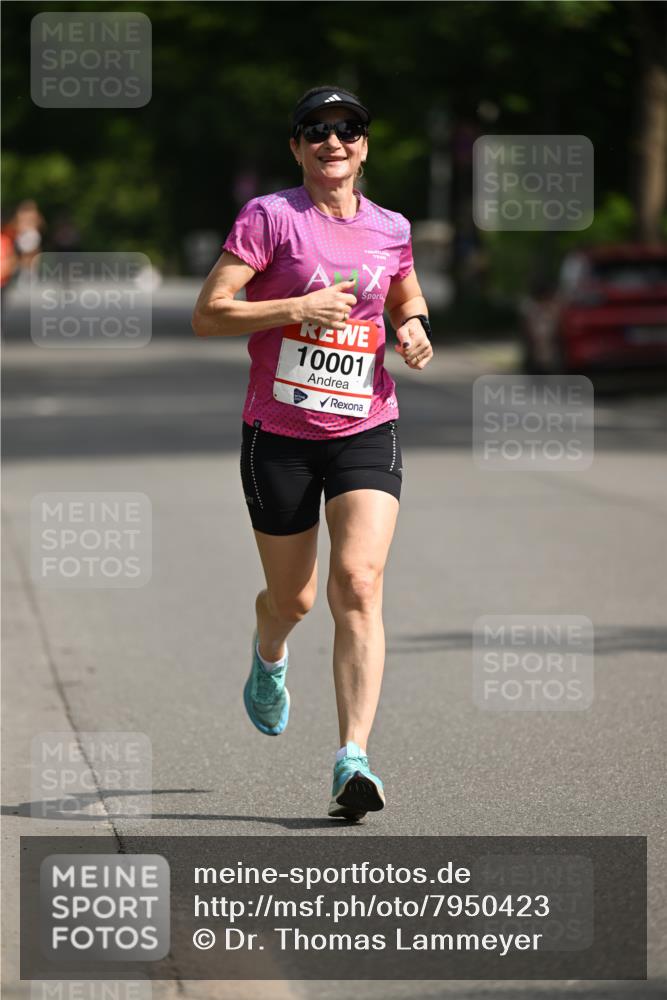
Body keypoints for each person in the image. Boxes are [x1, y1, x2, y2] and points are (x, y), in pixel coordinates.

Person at [192, 84, 433, 821]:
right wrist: (294, 307)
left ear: (364, 145)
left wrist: (414, 325)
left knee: (358, 583)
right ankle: (268, 655)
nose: (334, 142)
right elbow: (209, 314)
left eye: (349, 129)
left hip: (365, 421)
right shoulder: (270, 219)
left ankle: (351, 759)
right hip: (279, 434)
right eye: (316, 131)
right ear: (296, 147)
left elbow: (401, 293)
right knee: (294, 598)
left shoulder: (390, 226)